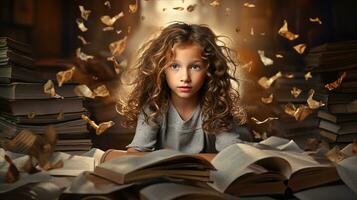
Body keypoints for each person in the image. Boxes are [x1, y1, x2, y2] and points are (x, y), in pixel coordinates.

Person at [116, 22, 251, 154]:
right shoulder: (153, 109)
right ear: (161, 70)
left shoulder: (216, 109)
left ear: (209, 70)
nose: (185, 77)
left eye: (195, 67)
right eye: (174, 66)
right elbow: (137, 152)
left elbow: (232, 153)